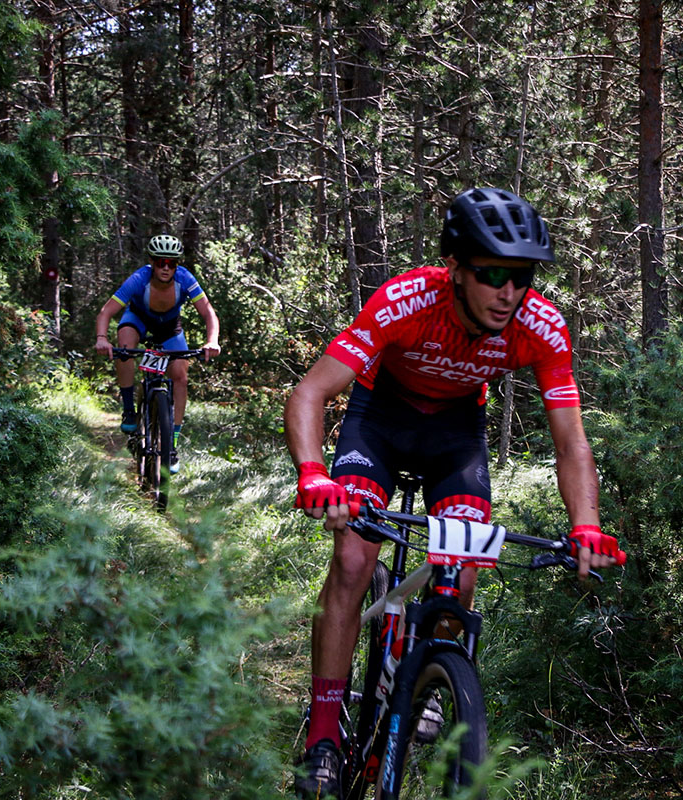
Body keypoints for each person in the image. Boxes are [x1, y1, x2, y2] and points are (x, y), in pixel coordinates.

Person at [283, 187, 621, 798]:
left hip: (455, 435)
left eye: (522, 277)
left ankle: (430, 679)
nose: (509, 292)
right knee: (355, 557)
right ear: (458, 270)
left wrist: (586, 525)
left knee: (461, 574)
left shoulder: (540, 327)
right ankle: (325, 736)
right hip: (379, 419)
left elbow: (571, 441)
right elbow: (308, 394)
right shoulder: (406, 300)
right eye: (493, 274)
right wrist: (314, 474)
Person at [94, 233, 221, 473]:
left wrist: (211, 341)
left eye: (171, 262)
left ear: (177, 264)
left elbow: (208, 313)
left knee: (180, 377)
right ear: (152, 262)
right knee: (124, 347)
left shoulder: (185, 279)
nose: (165, 267)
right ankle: (130, 410)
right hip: (138, 320)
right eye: (160, 261)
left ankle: (171, 445)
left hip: (169, 328)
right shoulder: (138, 279)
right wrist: (102, 339)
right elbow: (106, 312)